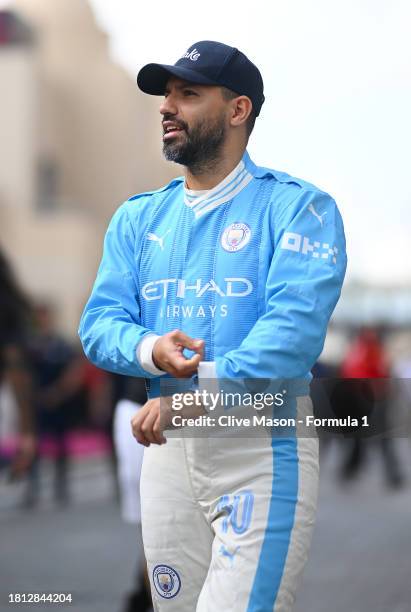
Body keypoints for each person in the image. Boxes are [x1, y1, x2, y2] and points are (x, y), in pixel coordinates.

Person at [79, 40, 347, 611]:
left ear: (237, 110)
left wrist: (200, 393)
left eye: (188, 94)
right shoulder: (137, 217)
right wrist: (152, 349)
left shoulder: (302, 209)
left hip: (262, 449)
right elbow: (100, 324)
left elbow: (293, 333)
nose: (166, 106)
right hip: (167, 450)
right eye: (166, 94)